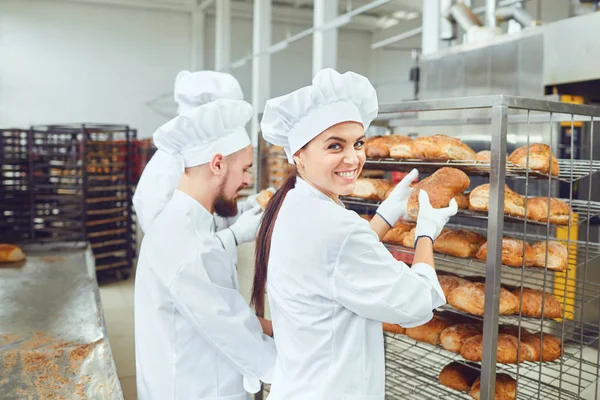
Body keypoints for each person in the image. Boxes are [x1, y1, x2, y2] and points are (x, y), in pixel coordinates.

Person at [252, 68, 457, 399]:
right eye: (335, 146)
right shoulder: (335, 227)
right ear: (299, 155)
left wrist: (387, 213)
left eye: (359, 143)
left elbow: (337, 267)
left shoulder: (289, 204)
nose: (353, 157)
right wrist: (425, 235)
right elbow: (418, 302)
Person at [135, 98, 276, 400]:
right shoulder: (189, 242)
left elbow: (222, 309)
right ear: (217, 164)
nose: (248, 181)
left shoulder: (184, 222)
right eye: (245, 170)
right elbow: (233, 334)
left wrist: (274, 327)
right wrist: (301, 368)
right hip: (197, 388)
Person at [133, 70, 268, 261]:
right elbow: (174, 249)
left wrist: (243, 210)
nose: (248, 179)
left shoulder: (200, 168)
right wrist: (233, 236)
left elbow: (207, 219)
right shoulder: (167, 170)